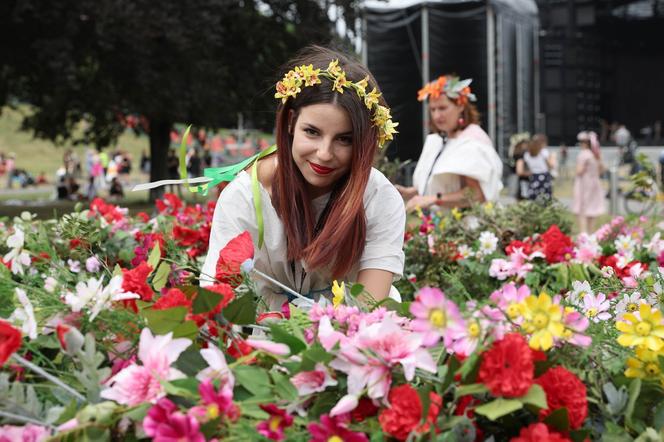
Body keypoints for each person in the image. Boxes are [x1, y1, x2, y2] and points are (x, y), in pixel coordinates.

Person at [200, 45, 404, 309]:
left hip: (350, 332)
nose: (324, 153)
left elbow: (370, 307)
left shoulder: (378, 197)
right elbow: (218, 298)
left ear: (363, 143)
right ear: (290, 123)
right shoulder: (244, 197)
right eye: (312, 132)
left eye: (344, 139)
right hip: (260, 330)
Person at [396, 75, 503, 211]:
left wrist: (434, 199)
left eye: (442, 108)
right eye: (433, 109)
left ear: (460, 106)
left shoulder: (471, 141)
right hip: (445, 225)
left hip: (468, 228)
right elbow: (446, 185)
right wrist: (411, 192)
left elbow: (476, 194)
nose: (436, 116)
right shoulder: (440, 140)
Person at [573, 131, 606, 233]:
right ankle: (591, 232)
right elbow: (602, 169)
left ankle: (583, 232)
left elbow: (579, 171)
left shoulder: (583, 154)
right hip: (595, 182)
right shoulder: (595, 155)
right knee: (592, 208)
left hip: (584, 183)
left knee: (582, 207)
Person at [517, 133, 554, 201]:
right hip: (544, 176)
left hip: (533, 176)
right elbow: (551, 165)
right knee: (545, 198)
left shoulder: (527, 154)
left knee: (533, 197)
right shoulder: (543, 152)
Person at [508, 132, 530, 201]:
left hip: (516, 178)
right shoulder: (520, 155)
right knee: (523, 198)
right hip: (521, 180)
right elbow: (519, 171)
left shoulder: (514, 153)